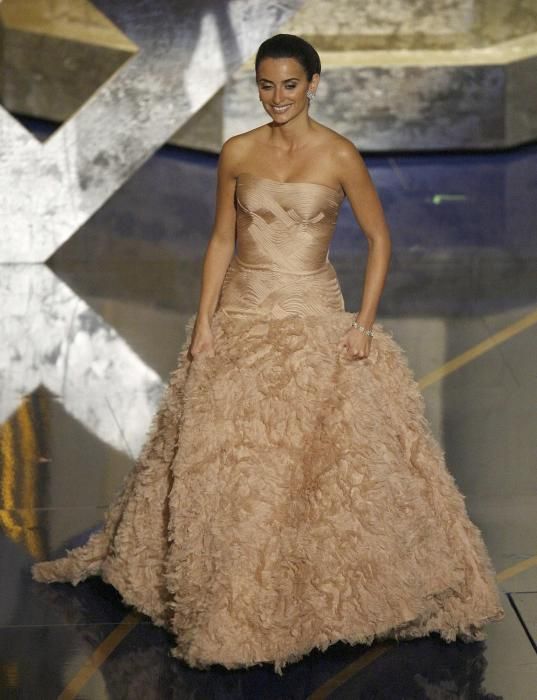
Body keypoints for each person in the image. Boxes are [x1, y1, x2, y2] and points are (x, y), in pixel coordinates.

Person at [32, 33, 504, 675]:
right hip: (242, 316)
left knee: (313, 473)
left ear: (314, 83)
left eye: (289, 84)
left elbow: (379, 237)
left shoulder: (338, 154)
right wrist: (204, 321)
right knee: (228, 467)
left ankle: (307, 597)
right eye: (265, 84)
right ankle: (228, 598)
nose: (277, 97)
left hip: (315, 319)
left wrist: (362, 325)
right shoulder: (237, 152)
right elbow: (223, 239)